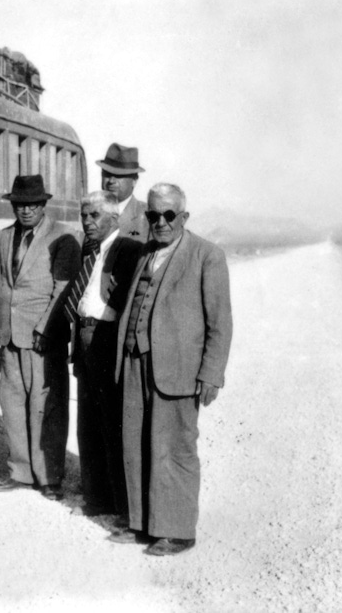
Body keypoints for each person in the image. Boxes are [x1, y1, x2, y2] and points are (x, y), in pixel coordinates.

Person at [110, 183, 232, 556]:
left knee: (174, 448)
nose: (159, 222)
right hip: (135, 362)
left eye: (168, 215)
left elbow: (220, 323)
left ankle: (177, 531)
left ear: (183, 216)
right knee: (136, 443)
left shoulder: (207, 255)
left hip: (177, 369)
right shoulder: (147, 252)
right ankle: (142, 524)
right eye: (152, 215)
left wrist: (210, 373)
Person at [0, 175, 80, 499]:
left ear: (44, 204)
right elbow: (4, 285)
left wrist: (45, 327)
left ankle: (49, 476)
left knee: (47, 407)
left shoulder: (62, 236)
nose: (26, 210)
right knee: (11, 403)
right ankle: (20, 472)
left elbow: (62, 289)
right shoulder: (4, 236)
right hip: (10, 335)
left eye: (32, 204)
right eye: (19, 204)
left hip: (44, 336)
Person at [64, 191, 141, 519]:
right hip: (83, 339)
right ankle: (96, 500)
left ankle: (123, 508)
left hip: (107, 340)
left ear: (114, 218)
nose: (87, 222)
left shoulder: (127, 249)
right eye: (84, 216)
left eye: (94, 215)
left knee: (112, 424)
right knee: (88, 425)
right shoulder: (89, 249)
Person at [96, 143, 149, 242]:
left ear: (134, 180)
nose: (111, 181)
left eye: (119, 175)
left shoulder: (149, 216)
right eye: (107, 174)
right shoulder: (89, 212)